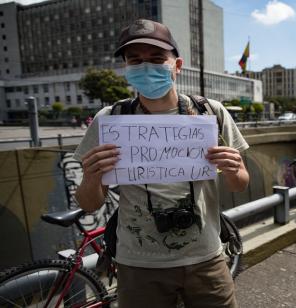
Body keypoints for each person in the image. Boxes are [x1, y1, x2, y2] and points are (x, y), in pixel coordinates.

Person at [74, 19, 249, 308]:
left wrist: (235, 169)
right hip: (137, 265)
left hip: (206, 257)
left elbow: (240, 184)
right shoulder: (110, 119)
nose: (146, 68)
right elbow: (89, 203)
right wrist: (92, 178)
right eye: (136, 60)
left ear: (176, 65)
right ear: (127, 68)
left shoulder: (210, 113)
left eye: (157, 59)